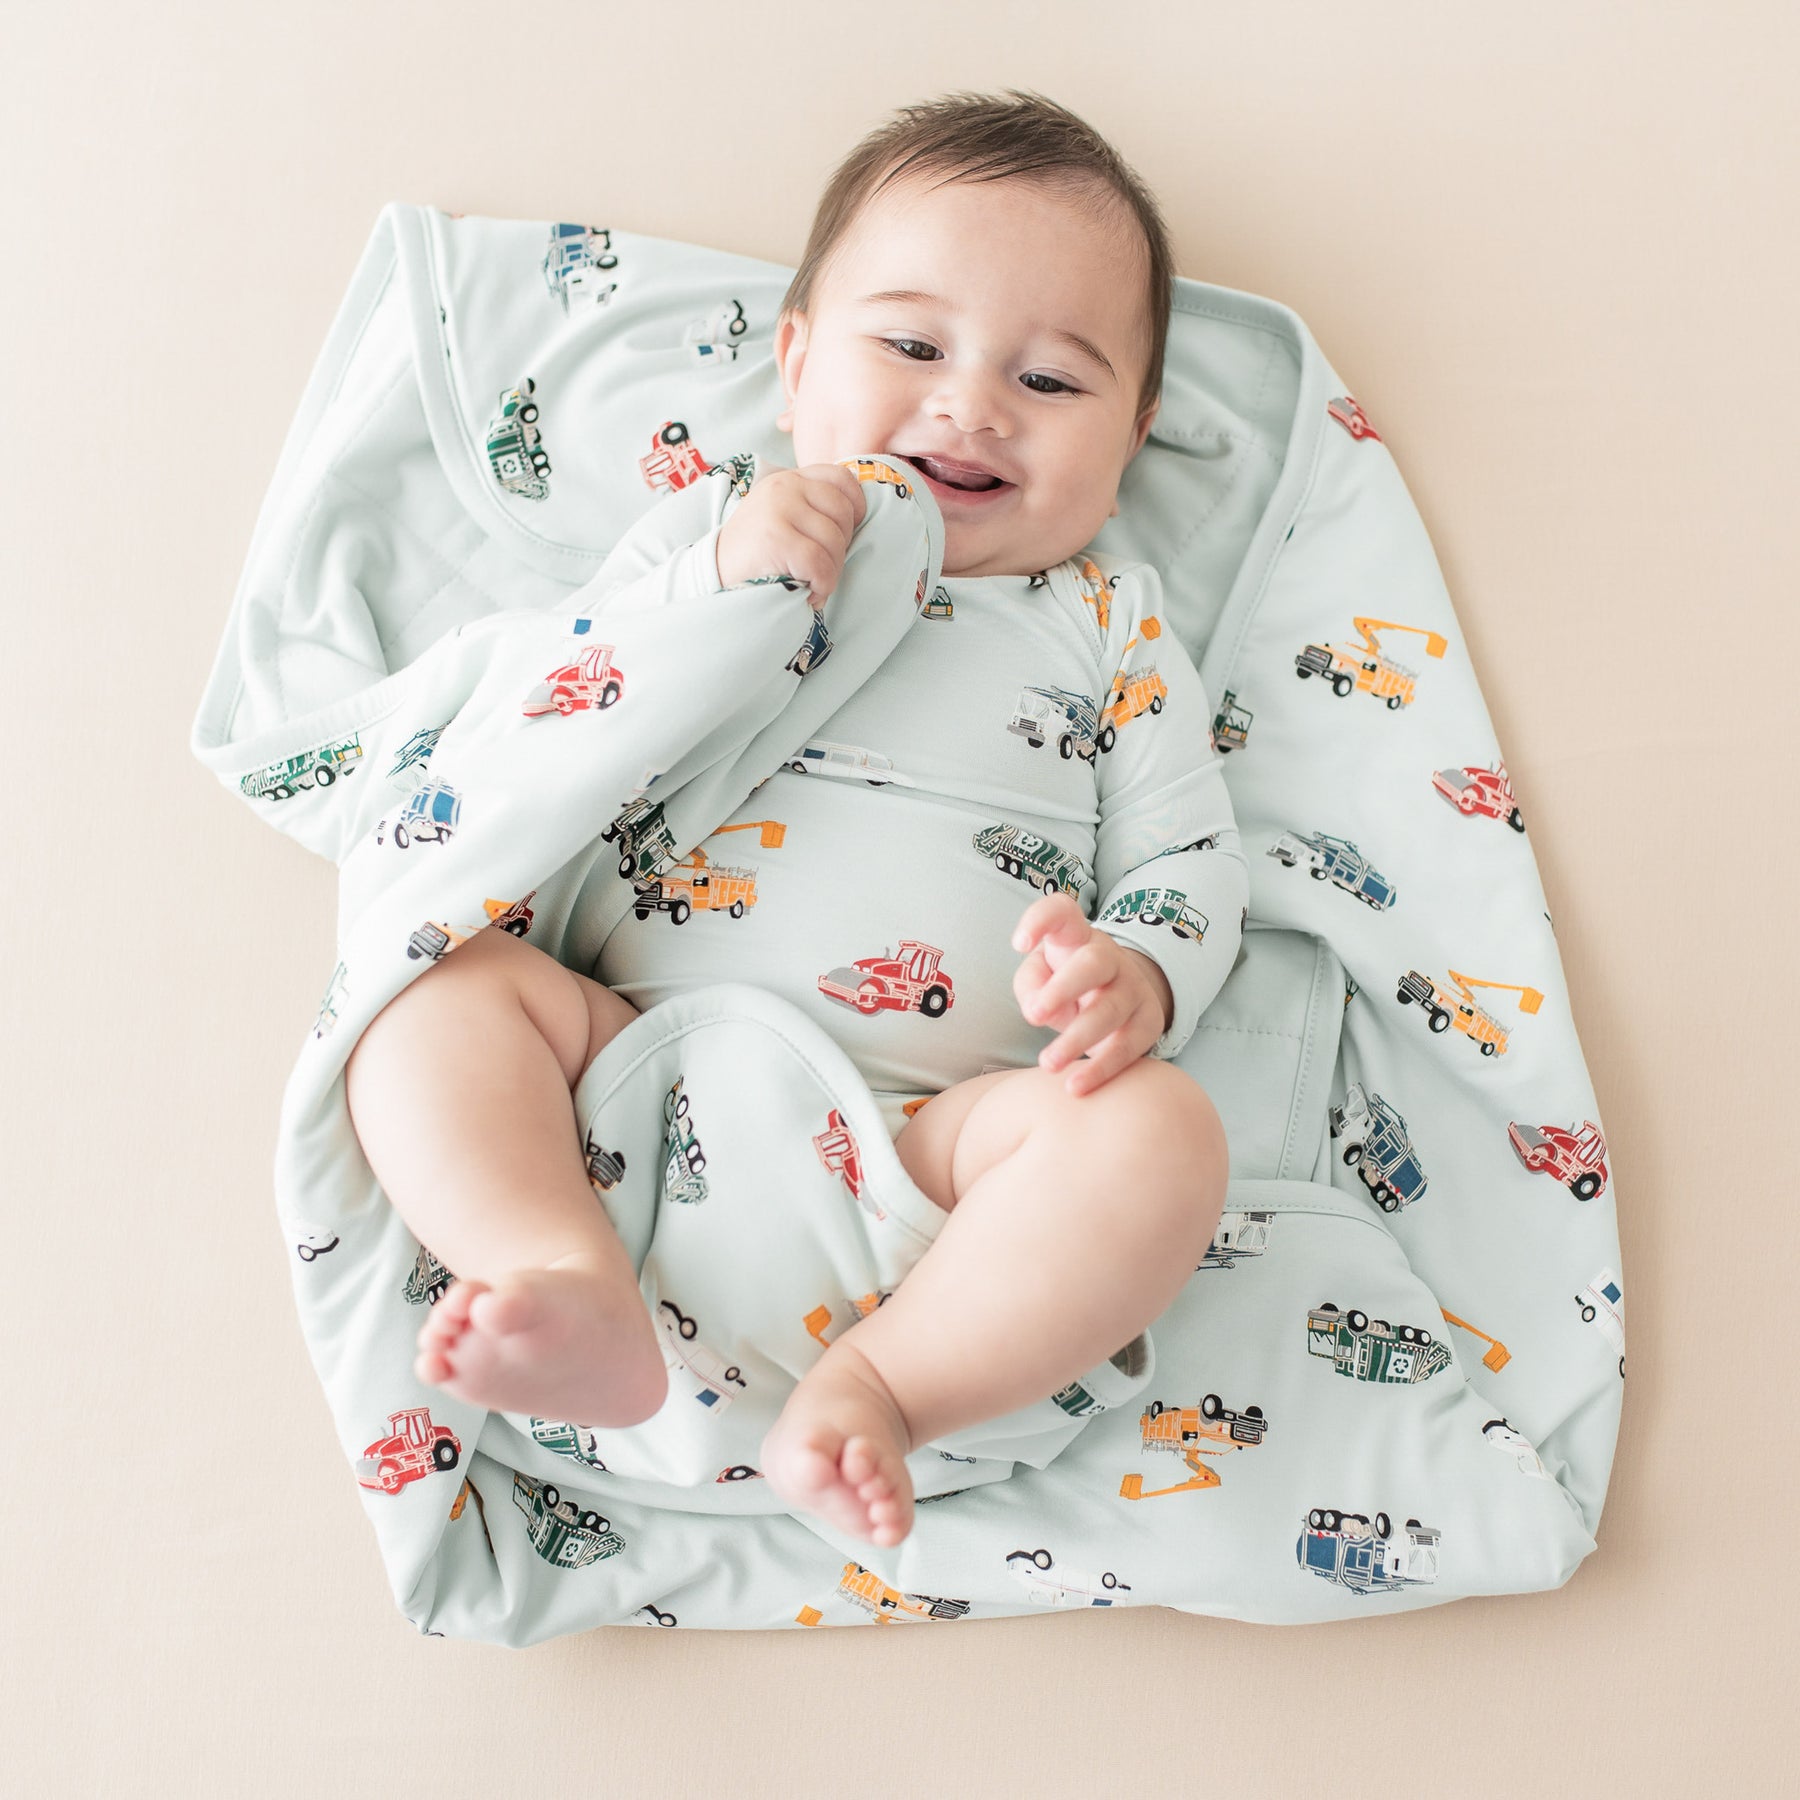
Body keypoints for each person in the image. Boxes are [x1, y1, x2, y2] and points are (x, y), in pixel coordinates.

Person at [343, 89, 1246, 1549]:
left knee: (1160, 1136)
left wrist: (1135, 976)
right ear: (794, 361)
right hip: (624, 1073)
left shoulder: (1107, 625)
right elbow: (557, 714)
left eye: (1055, 383)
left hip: (937, 1153)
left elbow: (1191, 858)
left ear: (1134, 437)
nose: (970, 404)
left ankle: (885, 1385)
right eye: (911, 345)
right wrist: (718, 595)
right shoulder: (710, 537)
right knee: (432, 990)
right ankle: (552, 1269)